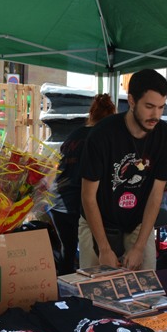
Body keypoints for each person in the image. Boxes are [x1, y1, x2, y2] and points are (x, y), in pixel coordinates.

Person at [79, 69, 167, 270]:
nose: (156, 115)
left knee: (146, 285)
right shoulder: (101, 135)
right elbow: (88, 196)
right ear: (132, 101)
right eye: (149, 106)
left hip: (138, 222)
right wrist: (104, 248)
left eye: (161, 107)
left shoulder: (166, 137)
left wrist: (140, 246)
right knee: (96, 291)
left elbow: (156, 195)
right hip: (98, 221)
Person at [49, 94, 117, 275]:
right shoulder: (101, 138)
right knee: (91, 254)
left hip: (56, 200)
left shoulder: (74, 134)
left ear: (91, 114)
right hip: (78, 203)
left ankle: (62, 296)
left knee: (67, 251)